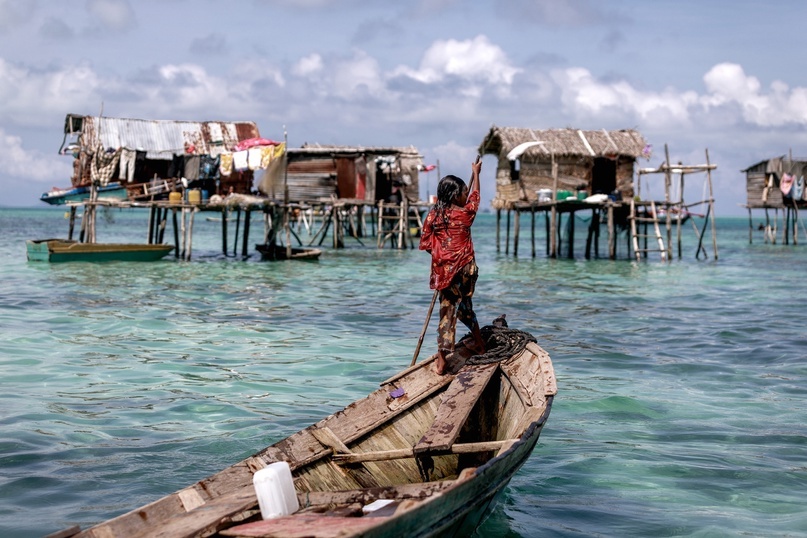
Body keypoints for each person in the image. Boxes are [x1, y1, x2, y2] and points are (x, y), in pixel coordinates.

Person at [419, 159, 486, 375]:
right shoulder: (466, 213)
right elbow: (476, 197)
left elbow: (426, 242)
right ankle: (480, 345)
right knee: (465, 307)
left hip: (446, 272)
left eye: (466, 192)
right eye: (462, 193)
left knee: (447, 312)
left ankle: (442, 360)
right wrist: (476, 174)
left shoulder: (432, 215)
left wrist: (442, 255)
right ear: (454, 195)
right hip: (467, 269)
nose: (466, 196)